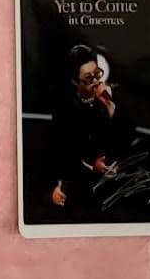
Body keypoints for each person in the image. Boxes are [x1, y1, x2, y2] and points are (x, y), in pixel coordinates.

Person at [47, 45, 134, 211]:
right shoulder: (66, 110)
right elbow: (65, 153)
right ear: (74, 81)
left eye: (97, 74)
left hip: (119, 177)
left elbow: (126, 137)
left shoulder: (113, 97)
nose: (96, 81)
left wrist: (109, 105)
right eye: (88, 78)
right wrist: (93, 165)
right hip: (84, 184)